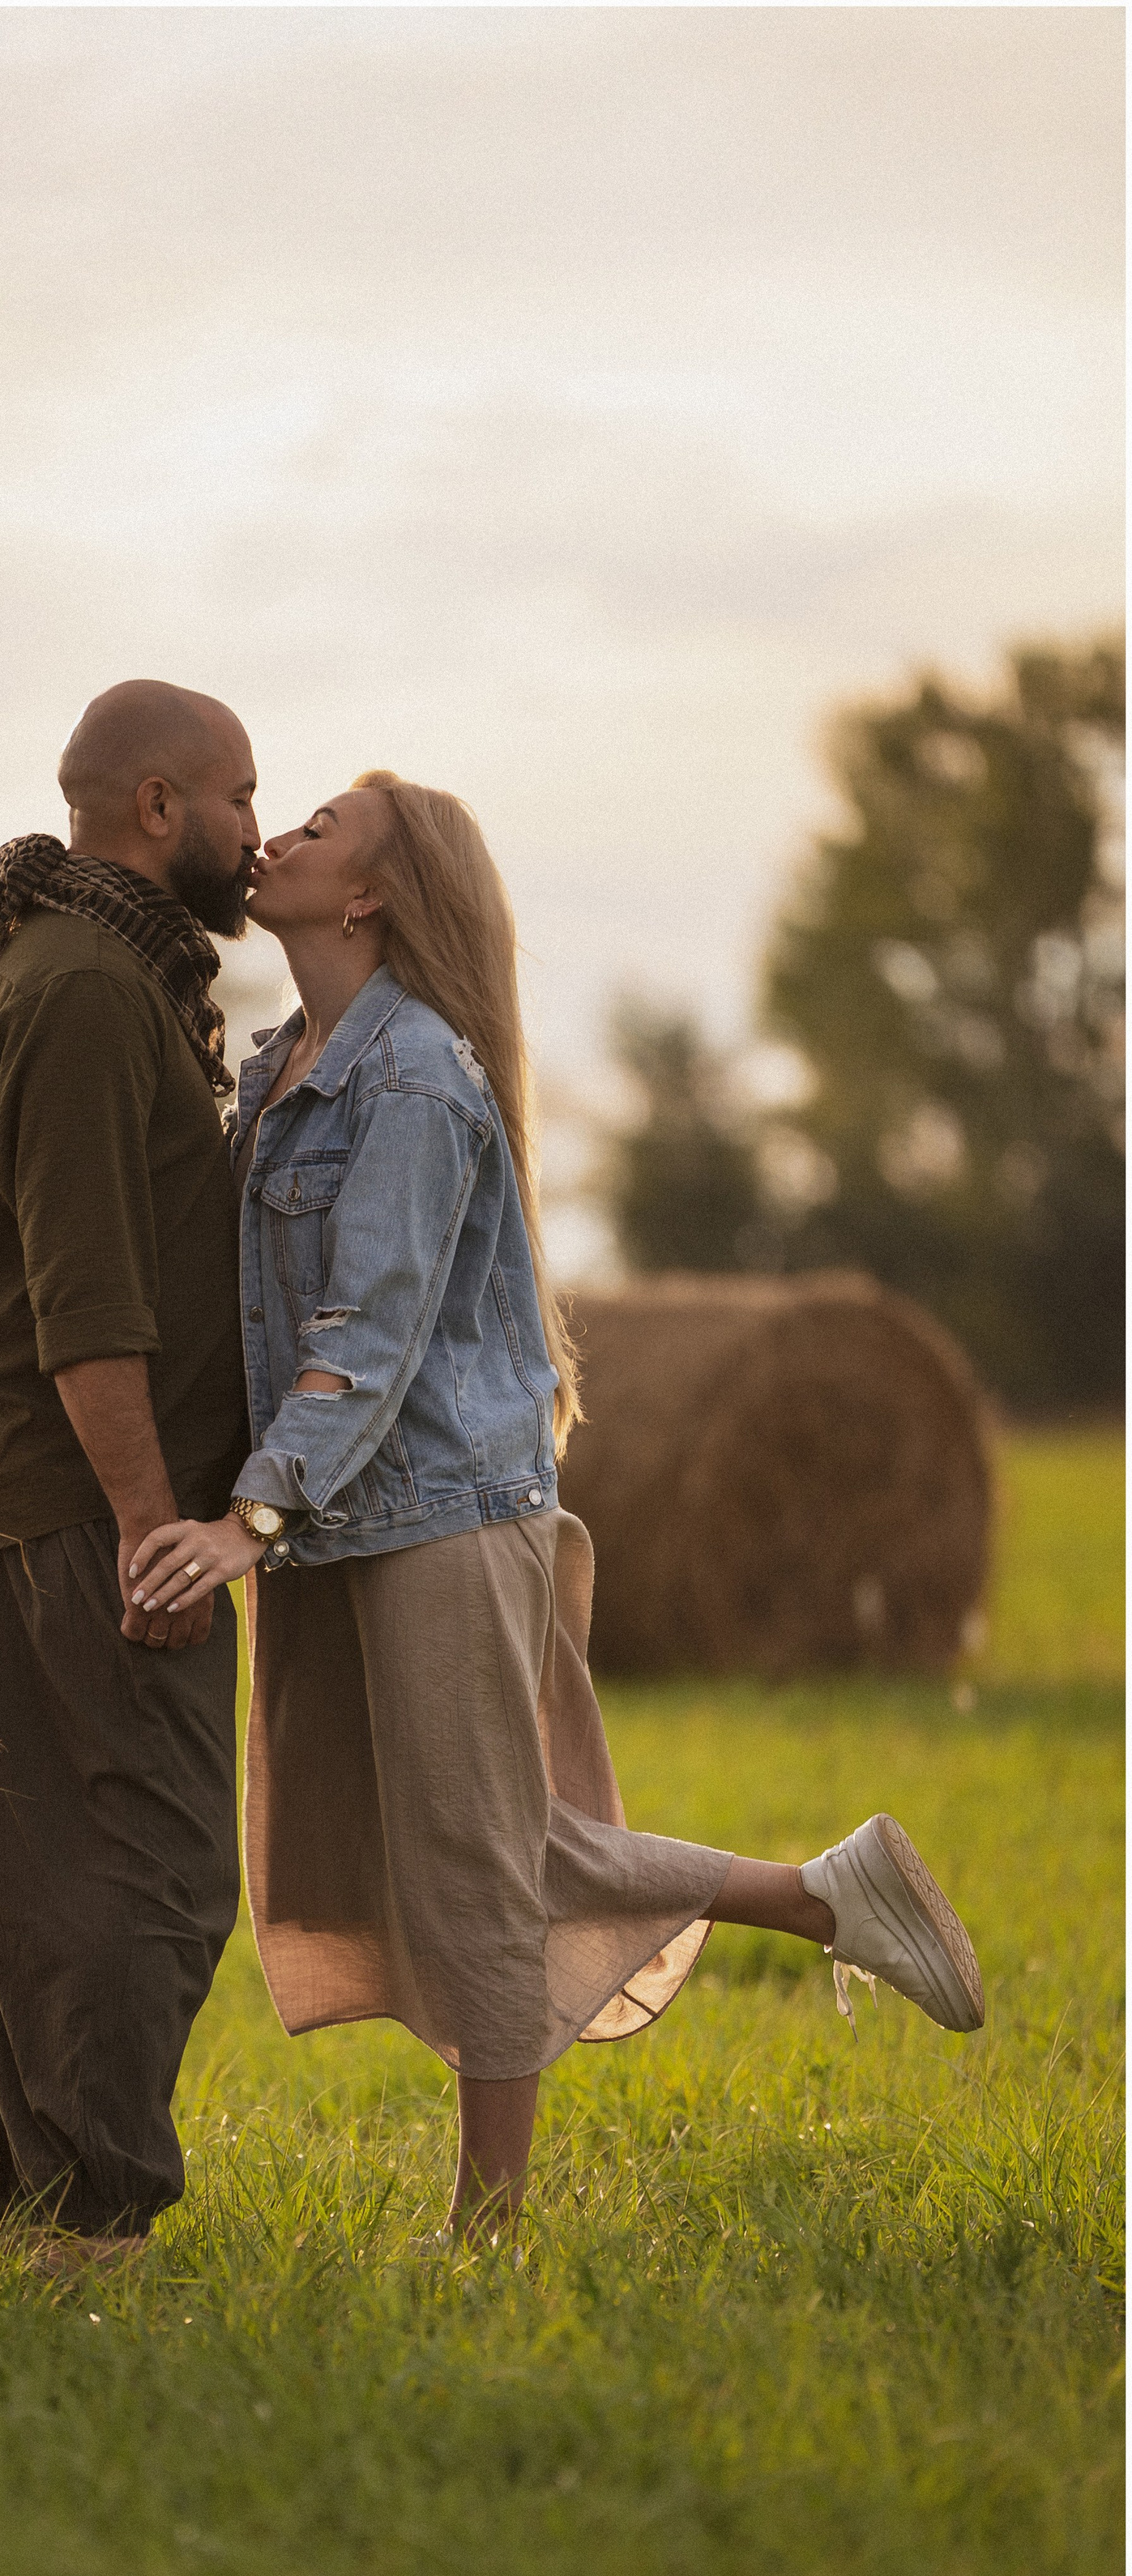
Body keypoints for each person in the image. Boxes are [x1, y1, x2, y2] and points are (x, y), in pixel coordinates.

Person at [129, 772, 986, 2242]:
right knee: (459, 1846)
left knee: (475, 1865)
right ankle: (822, 1893)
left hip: (439, 1515)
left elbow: (370, 1328)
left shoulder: (413, 1077)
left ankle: (490, 2230)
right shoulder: (280, 1068)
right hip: (349, 1517)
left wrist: (244, 1521)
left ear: (371, 896)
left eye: (321, 828)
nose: (280, 834)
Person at [0, 679, 261, 2263]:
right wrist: (148, 1527)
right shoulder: (91, 990)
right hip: (73, 1508)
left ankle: (7, 2227)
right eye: (241, 796)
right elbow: (85, 1302)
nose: (258, 831)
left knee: (9, 1886)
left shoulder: (62, 965)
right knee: (145, 1874)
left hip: (14, 1504)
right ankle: (83, 2240)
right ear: (159, 807)